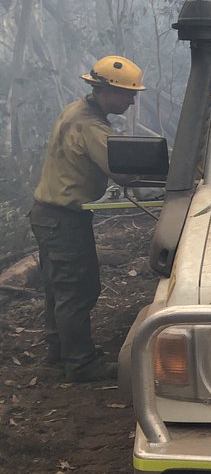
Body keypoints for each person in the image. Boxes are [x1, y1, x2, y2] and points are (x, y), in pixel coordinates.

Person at [28, 55, 146, 383]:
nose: (132, 100)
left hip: (48, 214)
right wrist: (161, 172)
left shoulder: (77, 109)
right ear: (105, 90)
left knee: (58, 288)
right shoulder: (91, 125)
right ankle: (81, 365)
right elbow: (120, 172)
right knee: (78, 290)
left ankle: (58, 354)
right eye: (127, 93)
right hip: (63, 219)